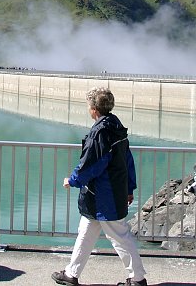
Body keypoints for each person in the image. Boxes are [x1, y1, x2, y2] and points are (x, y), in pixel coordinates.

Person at [51, 87, 147, 286]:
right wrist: (129, 188)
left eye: (89, 106)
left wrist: (72, 180)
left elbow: (90, 164)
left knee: (120, 236)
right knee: (86, 232)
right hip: (106, 193)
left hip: (104, 195)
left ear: (94, 109)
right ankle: (71, 273)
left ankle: (138, 278)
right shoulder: (116, 128)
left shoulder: (99, 132)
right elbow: (127, 161)